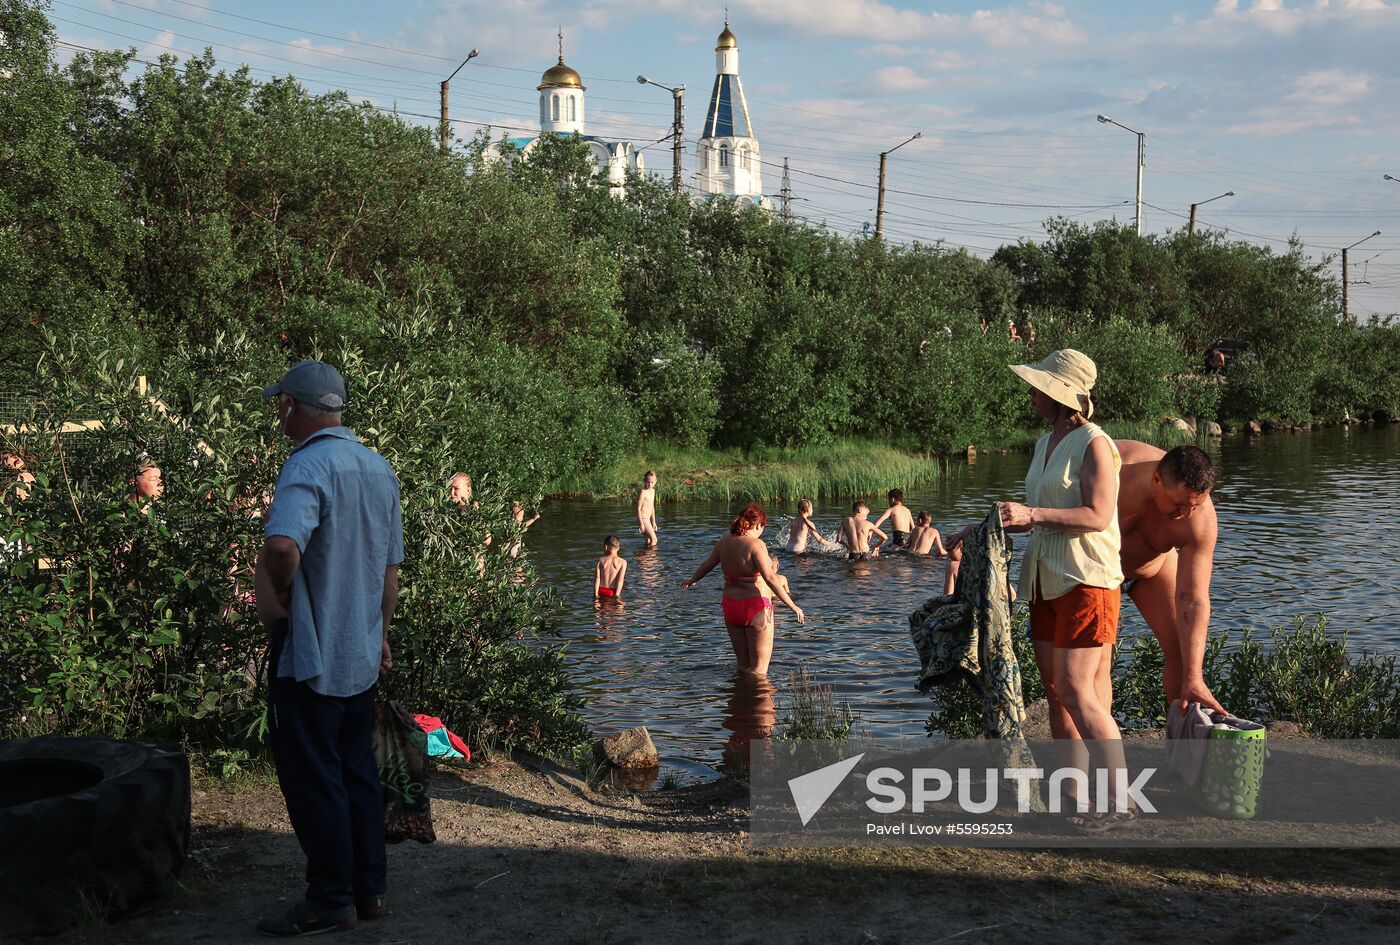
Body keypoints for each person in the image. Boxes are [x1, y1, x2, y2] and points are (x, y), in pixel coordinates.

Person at [950, 348, 1132, 830]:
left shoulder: (1096, 443)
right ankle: (1073, 795)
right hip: (1044, 579)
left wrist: (1033, 516)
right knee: (1056, 692)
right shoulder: (1043, 443)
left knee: (1078, 689)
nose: (1030, 392)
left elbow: (1097, 516)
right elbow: (1031, 514)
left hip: (1087, 578)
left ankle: (1119, 802)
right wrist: (975, 531)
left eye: (1038, 386)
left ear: (1060, 393)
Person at [253, 360, 404, 936]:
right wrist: (379, 632)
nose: (278, 412)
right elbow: (390, 575)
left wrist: (288, 597)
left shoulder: (306, 465)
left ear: (293, 407)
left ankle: (329, 899)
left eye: (280, 404)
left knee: (314, 777)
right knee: (357, 772)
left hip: (310, 652)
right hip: (360, 652)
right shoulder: (377, 467)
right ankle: (370, 893)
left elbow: (284, 545)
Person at [1116, 442, 1225, 714]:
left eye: (1194, 506)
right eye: (1179, 504)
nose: (1185, 514)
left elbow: (1194, 599)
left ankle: (1182, 740)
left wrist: (1194, 677)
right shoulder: (1113, 472)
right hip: (1096, 570)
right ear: (1156, 480)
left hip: (1151, 569)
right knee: (1094, 666)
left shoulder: (1199, 518)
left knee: (1184, 651)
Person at [681, 503, 804, 675]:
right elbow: (770, 578)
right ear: (759, 525)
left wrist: (692, 580)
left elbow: (706, 565)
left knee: (743, 666)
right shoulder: (756, 544)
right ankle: (760, 701)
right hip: (756, 607)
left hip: (731, 606)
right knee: (759, 670)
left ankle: (741, 699)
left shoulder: (724, 541)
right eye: (763, 527)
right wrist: (793, 606)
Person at [594, 535, 627, 599]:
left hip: (600, 591)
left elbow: (597, 578)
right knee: (619, 608)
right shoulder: (622, 562)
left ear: (605, 547)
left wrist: (596, 594)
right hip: (612, 592)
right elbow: (620, 580)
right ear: (618, 548)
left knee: (600, 608)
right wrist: (617, 594)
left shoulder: (601, 560)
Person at [636, 470, 658, 548]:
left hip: (648, 519)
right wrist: (641, 523)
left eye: (652, 482)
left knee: (648, 540)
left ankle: (645, 558)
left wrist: (654, 522)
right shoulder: (643, 492)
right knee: (654, 540)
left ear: (655, 482)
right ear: (645, 481)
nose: (650, 484)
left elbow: (652, 507)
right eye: (648, 482)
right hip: (643, 518)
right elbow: (638, 508)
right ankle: (652, 557)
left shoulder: (653, 491)